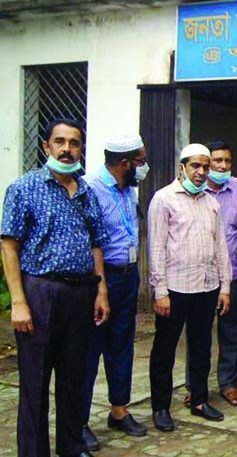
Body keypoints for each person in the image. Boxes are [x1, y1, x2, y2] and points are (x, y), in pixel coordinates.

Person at [2, 118, 110, 457]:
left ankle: (71, 446)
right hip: (41, 292)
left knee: (73, 377)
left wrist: (100, 291)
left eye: (74, 143)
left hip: (81, 294)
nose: (66, 149)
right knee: (35, 383)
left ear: (81, 148)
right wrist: (18, 302)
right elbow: (9, 246)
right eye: (59, 142)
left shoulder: (87, 192)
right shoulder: (25, 188)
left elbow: (96, 244)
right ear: (46, 146)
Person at [148, 143, 231, 432]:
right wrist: (160, 291)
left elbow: (221, 246)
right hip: (175, 289)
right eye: (196, 166)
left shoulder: (211, 202)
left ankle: (199, 400)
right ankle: (160, 407)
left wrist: (225, 287)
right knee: (165, 349)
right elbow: (156, 247)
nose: (202, 172)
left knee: (201, 346)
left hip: (207, 286)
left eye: (206, 167)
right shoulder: (164, 199)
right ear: (181, 167)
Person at [80, 133, 149, 451]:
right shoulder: (90, 188)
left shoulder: (128, 188)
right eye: (141, 161)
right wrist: (100, 287)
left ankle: (119, 410)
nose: (144, 167)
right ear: (124, 163)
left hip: (127, 275)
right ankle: (78, 421)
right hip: (99, 279)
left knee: (122, 345)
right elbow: (88, 241)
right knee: (89, 352)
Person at [199, 141, 237, 408]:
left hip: (234, 273)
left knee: (231, 333)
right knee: (199, 334)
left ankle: (228, 384)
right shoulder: (197, 190)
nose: (222, 166)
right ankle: (196, 387)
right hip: (203, 277)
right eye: (217, 161)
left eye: (227, 161)